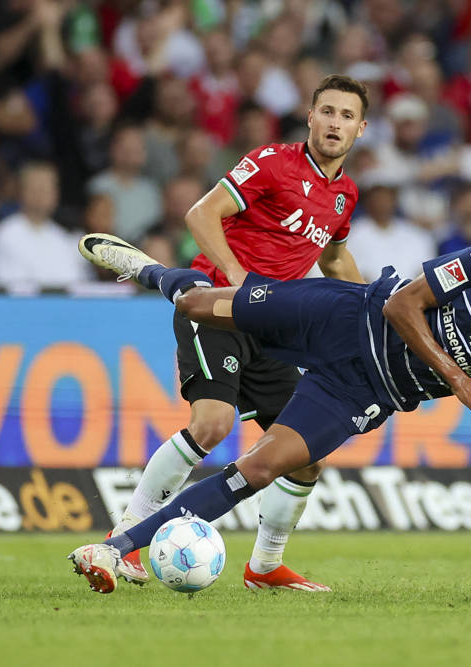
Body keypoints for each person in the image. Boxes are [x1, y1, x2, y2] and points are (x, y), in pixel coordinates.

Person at [69, 231, 471, 599]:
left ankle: (116, 549)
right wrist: (460, 381)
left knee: (260, 469)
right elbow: (402, 303)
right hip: (346, 316)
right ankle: (147, 270)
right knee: (198, 305)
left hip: (361, 391)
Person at [101, 74, 370, 592]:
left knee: (307, 454)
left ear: (361, 129)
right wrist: (238, 276)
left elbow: (335, 257)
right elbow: (200, 215)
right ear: (310, 117)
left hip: (270, 330)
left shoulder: (344, 197)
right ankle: (126, 538)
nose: (335, 123)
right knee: (213, 423)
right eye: (328, 112)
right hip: (217, 307)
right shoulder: (272, 162)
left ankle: (265, 568)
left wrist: (369, 312)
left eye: (347, 116)